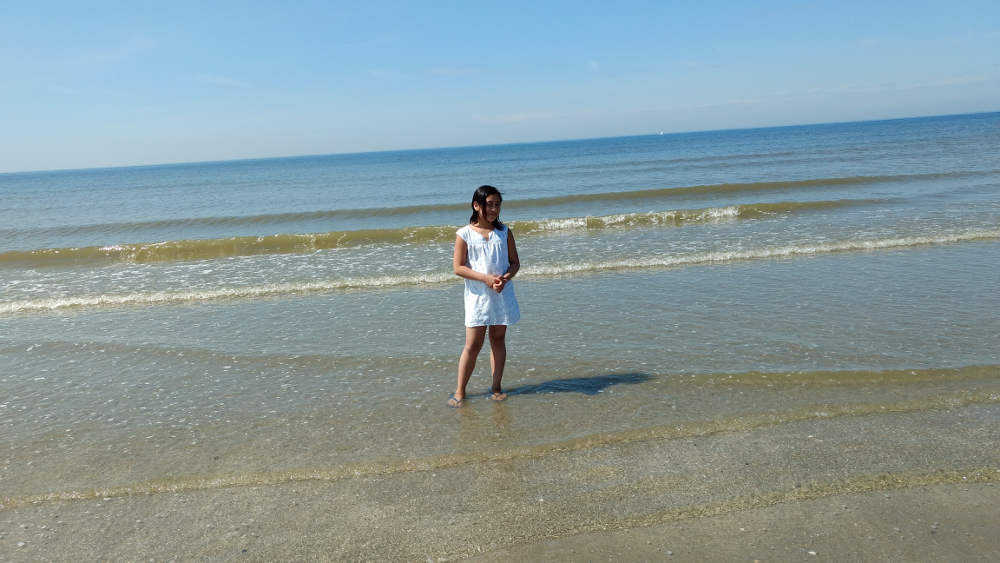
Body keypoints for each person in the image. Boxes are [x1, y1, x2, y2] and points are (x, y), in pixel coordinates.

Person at [449, 185, 520, 408]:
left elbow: (515, 262)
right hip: (477, 296)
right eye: (489, 204)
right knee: (473, 344)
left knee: (498, 340)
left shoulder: (505, 232)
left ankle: (496, 387)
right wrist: (486, 279)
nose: (494, 209)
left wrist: (505, 278)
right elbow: (458, 268)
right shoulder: (465, 234)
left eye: (497, 204)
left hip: (502, 293)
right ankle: (460, 391)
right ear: (476, 205)